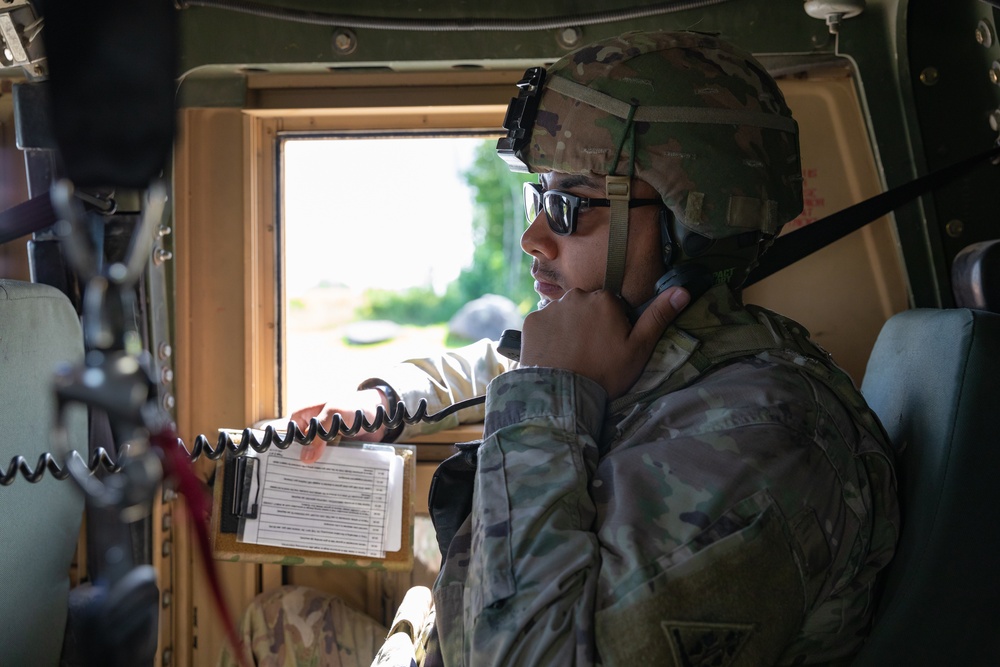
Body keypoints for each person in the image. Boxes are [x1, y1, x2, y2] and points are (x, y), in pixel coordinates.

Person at [221, 29, 899, 667]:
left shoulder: (763, 443)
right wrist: (385, 398)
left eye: (570, 209)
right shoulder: (664, 360)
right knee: (271, 617)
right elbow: (509, 362)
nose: (535, 241)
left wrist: (547, 402)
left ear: (691, 223)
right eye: (537, 202)